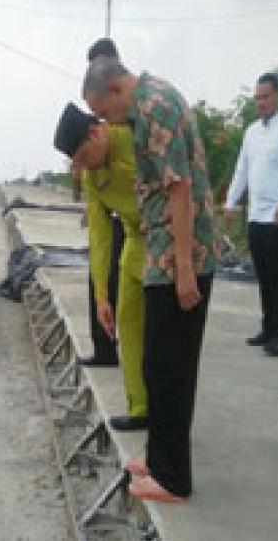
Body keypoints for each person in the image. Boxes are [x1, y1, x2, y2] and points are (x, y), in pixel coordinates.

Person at [82, 56, 216, 503]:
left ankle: (173, 479)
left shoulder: (155, 107)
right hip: (158, 253)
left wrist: (183, 268)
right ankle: (159, 461)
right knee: (158, 364)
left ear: (117, 92)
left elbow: (180, 189)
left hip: (179, 254)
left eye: (103, 113)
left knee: (171, 367)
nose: (106, 123)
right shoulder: (144, 106)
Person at [54, 102, 148, 431]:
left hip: (168, 238)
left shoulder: (134, 139)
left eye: (81, 157)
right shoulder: (94, 180)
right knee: (126, 319)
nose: (80, 169)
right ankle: (140, 408)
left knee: (162, 333)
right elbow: (100, 239)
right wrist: (101, 296)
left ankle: (166, 410)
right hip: (137, 242)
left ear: (97, 132)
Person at [224, 73, 278, 357]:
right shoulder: (251, 132)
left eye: (266, 96)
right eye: (257, 97)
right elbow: (242, 170)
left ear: (277, 97)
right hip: (256, 214)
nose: (261, 102)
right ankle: (266, 327)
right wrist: (231, 202)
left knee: (275, 274)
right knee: (261, 272)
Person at [81, 37, 126, 368]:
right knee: (99, 280)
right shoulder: (103, 111)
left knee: (126, 288)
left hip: (138, 219)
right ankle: (105, 349)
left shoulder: (131, 112)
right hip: (110, 211)